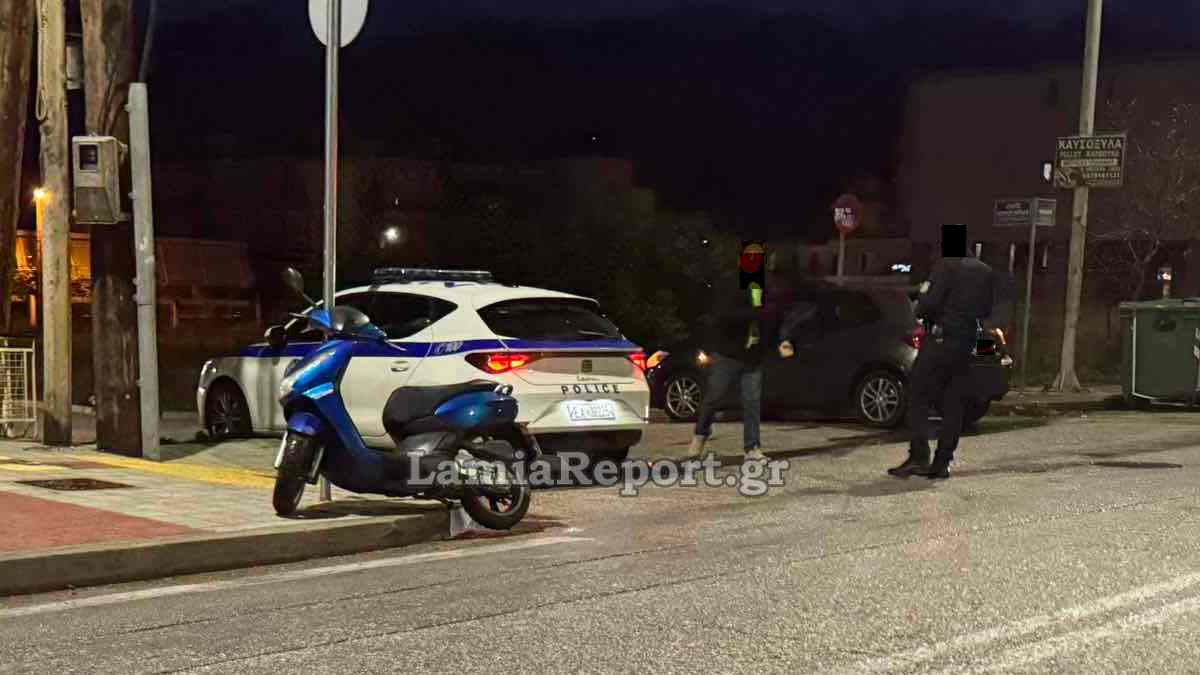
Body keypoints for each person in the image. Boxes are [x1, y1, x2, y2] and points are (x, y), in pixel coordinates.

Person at [889, 224, 995, 480]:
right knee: (954, 402)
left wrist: (920, 306)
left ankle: (919, 457)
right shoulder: (985, 271)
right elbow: (986, 310)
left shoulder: (945, 265)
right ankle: (943, 462)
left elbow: (927, 304)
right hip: (966, 342)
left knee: (918, 394)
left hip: (940, 340)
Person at [688, 245, 803, 463]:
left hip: (753, 356)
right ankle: (700, 434)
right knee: (714, 397)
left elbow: (777, 317)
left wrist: (783, 340)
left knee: (752, 402)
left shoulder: (766, 289)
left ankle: (752, 448)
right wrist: (754, 313)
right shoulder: (730, 285)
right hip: (728, 353)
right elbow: (723, 316)